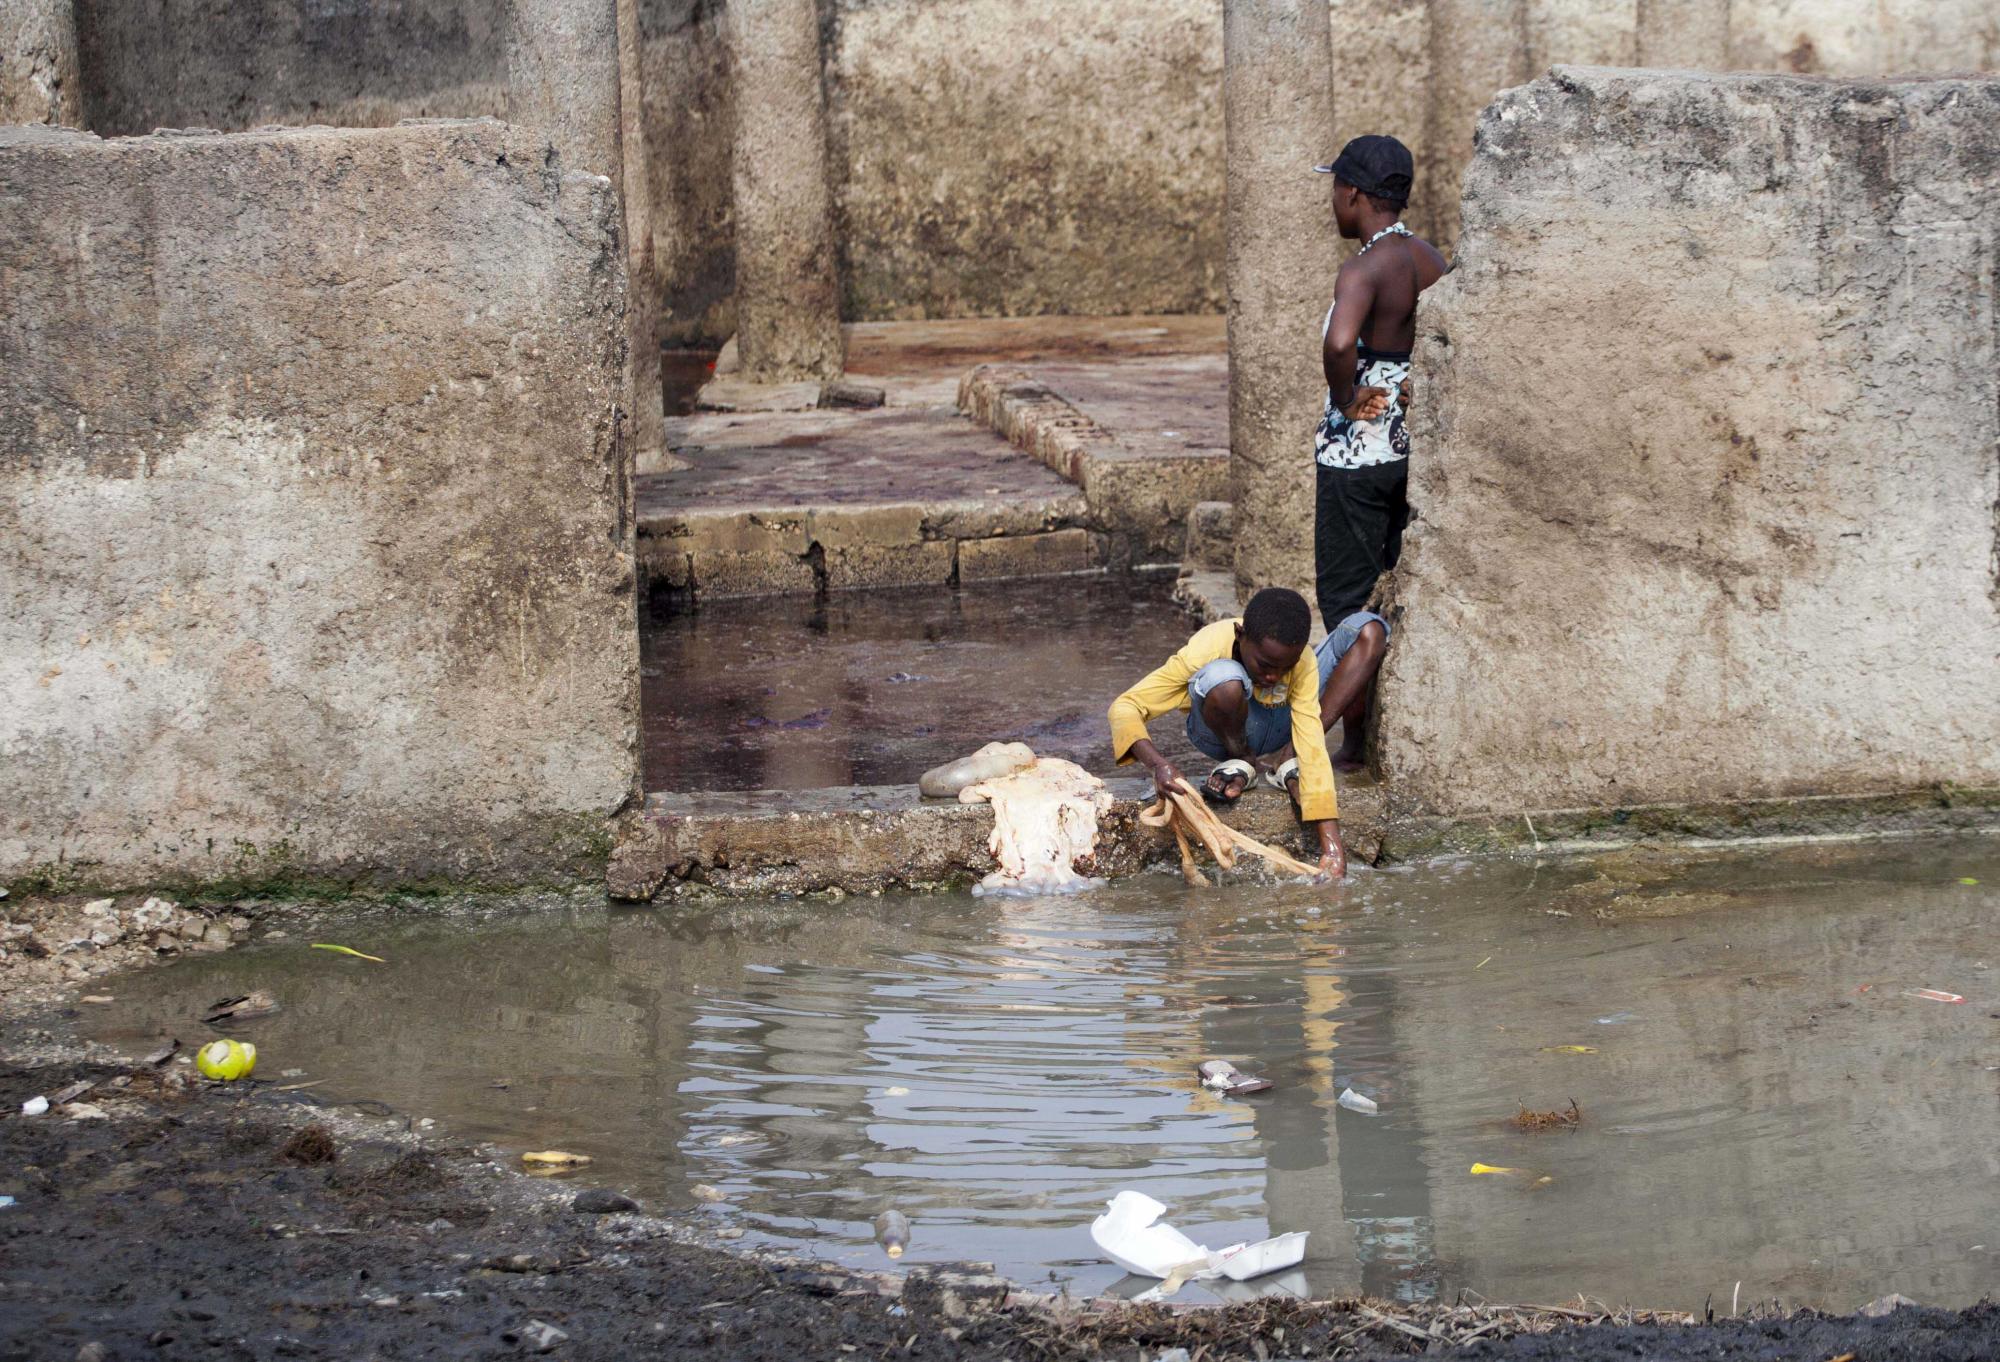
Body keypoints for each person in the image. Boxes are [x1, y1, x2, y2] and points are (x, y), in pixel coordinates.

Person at [1310, 135, 1446, 767]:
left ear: (1355, 194)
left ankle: (1352, 744)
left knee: (1347, 601)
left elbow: (1341, 343)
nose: (1333, 200)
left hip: (1357, 457)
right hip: (1407, 448)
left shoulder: (1362, 268)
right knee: (1394, 584)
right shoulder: (1426, 258)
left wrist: (1343, 397)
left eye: (1335, 189)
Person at [1107, 587, 1350, 879]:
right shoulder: (1207, 647)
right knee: (1223, 679)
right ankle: (1242, 759)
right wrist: (1159, 766)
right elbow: (1125, 706)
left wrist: (1332, 848)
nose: (1274, 677)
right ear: (1239, 635)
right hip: (1219, 731)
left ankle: (1281, 763)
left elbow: (1311, 740)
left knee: (1368, 630)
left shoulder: (1303, 661)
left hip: (1277, 730)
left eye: (1287, 667)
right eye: (1265, 665)